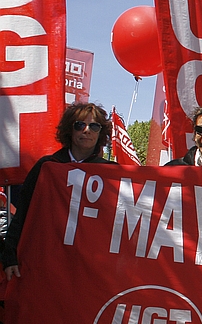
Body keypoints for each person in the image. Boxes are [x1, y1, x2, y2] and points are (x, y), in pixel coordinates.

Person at [2, 102, 116, 280]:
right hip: (44, 259)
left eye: (94, 126)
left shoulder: (112, 173)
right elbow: (23, 212)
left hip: (88, 266)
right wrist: (9, 256)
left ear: (101, 132)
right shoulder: (47, 166)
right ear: (70, 130)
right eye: (80, 125)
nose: (87, 130)